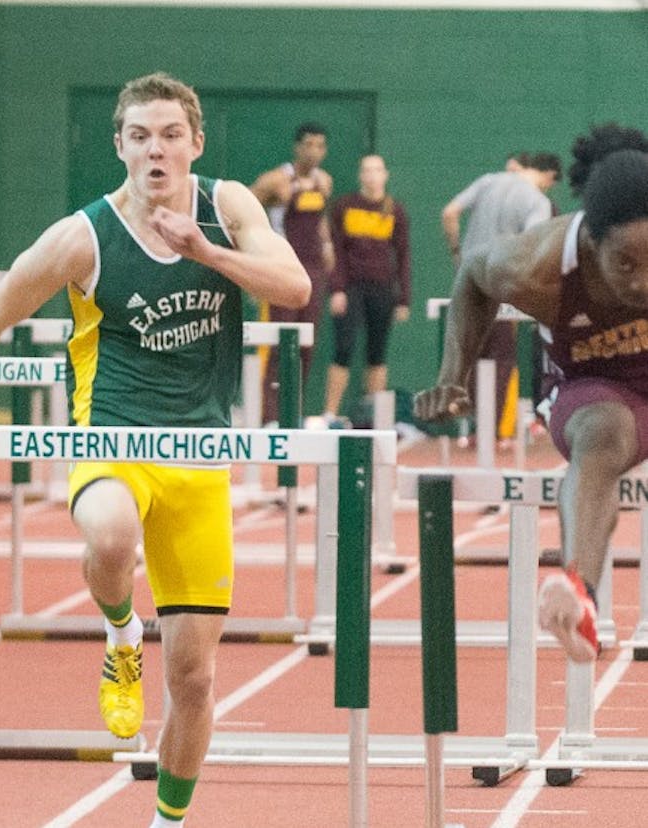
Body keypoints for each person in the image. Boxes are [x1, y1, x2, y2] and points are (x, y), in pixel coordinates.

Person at [0, 72, 308, 828]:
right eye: (141, 137)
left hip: (199, 462)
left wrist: (206, 252)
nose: (157, 151)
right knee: (112, 534)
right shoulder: (82, 237)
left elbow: (295, 286)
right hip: (111, 442)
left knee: (194, 679)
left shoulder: (228, 206)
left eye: (171, 136)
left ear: (196, 143)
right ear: (119, 146)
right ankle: (121, 632)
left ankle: (166, 821)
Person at [415, 124, 648, 664]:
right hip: (593, 387)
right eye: (625, 264)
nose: (641, 283)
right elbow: (472, 278)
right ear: (591, 242)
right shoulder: (536, 265)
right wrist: (452, 376)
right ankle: (579, 596)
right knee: (603, 435)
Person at [440, 152, 561, 441]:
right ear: (548, 177)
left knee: (470, 354)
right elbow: (530, 245)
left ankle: (471, 426)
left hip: (468, 280)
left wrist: (457, 253)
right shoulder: (537, 202)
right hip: (501, 286)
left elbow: (449, 213)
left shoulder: (488, 181)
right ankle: (490, 431)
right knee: (501, 359)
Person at [251, 122, 335, 426]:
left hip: (313, 269)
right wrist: (258, 255)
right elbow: (244, 210)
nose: (314, 152)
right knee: (278, 341)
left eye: (320, 146)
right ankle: (268, 416)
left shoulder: (324, 182)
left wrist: (327, 246)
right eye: (308, 145)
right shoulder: (276, 180)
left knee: (305, 344)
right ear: (297, 147)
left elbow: (320, 220)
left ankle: (291, 412)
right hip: (282, 266)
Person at [321, 154, 411, 425]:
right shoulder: (344, 206)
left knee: (377, 352)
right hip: (351, 289)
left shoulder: (395, 210)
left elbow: (403, 255)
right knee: (344, 348)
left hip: (383, 290)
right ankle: (330, 414)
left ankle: (373, 416)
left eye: (377, 170)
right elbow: (334, 251)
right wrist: (337, 289)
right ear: (360, 175)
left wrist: (404, 298)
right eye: (367, 171)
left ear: (385, 175)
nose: (372, 176)